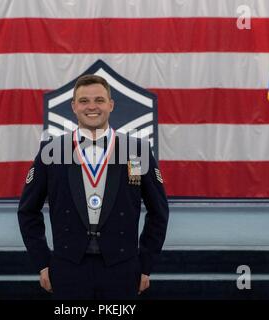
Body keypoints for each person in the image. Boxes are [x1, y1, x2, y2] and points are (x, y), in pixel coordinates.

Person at [17, 74, 169, 300]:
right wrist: (42, 262)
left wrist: (145, 264)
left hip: (122, 268)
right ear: (73, 106)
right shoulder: (51, 152)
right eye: (84, 101)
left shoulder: (137, 151)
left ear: (111, 104)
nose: (92, 107)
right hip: (68, 268)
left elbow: (159, 212)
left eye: (99, 100)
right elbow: (28, 211)